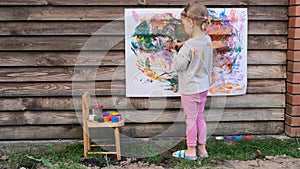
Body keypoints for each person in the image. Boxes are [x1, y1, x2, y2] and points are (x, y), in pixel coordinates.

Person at [171, 1, 213, 160]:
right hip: (203, 87)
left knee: (191, 119)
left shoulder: (188, 46)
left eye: (184, 24)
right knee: (200, 117)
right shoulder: (207, 40)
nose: (184, 28)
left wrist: (174, 53)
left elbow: (180, 65)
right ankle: (202, 149)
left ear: (189, 22)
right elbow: (197, 48)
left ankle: (190, 150)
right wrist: (184, 45)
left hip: (189, 89)